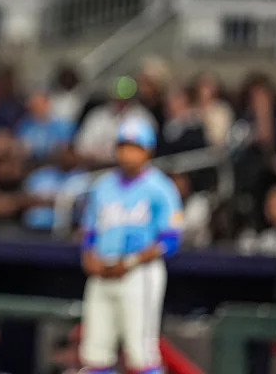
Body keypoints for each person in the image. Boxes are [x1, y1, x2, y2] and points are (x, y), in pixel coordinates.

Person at [79, 117, 183, 374]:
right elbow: (89, 231)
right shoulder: (102, 186)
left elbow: (170, 240)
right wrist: (88, 256)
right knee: (95, 353)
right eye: (124, 146)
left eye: (135, 147)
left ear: (148, 150)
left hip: (140, 273)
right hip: (103, 271)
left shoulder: (161, 188)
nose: (128, 153)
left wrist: (130, 262)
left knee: (141, 354)